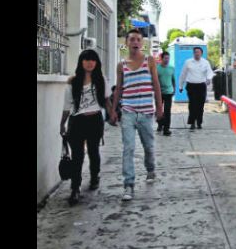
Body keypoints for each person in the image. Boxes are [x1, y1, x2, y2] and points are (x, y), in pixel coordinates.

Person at [109, 29, 164, 201]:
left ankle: (150, 168)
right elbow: (119, 88)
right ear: (127, 43)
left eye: (138, 40)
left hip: (147, 112)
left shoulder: (149, 61)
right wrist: (113, 109)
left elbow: (156, 84)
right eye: (132, 39)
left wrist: (160, 107)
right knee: (129, 148)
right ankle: (129, 185)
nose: (135, 42)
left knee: (148, 147)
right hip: (128, 111)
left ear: (142, 43)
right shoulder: (121, 65)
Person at [59, 49, 109, 206]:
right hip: (77, 122)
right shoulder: (72, 82)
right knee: (77, 156)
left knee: (94, 152)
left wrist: (113, 113)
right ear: (81, 62)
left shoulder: (101, 80)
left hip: (94, 120)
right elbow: (67, 106)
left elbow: (106, 100)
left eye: (93, 60)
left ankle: (95, 177)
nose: (89, 62)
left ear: (97, 63)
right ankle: (75, 188)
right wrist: (62, 123)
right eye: (86, 59)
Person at [179, 47, 214, 130]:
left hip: (201, 85)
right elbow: (183, 74)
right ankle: (192, 123)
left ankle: (199, 122)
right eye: (195, 52)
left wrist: (208, 79)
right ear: (193, 53)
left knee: (200, 105)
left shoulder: (205, 62)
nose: (197, 54)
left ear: (201, 53)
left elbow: (210, 72)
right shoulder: (188, 62)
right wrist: (181, 86)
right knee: (192, 104)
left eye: (198, 52)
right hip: (191, 86)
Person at [156, 51, 175, 136]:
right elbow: (155, 81)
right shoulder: (157, 68)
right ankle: (160, 124)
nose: (167, 60)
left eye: (168, 58)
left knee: (167, 111)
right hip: (159, 93)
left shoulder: (171, 68)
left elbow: (173, 79)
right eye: (165, 58)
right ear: (161, 58)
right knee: (159, 110)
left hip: (168, 92)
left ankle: (166, 129)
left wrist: (174, 89)